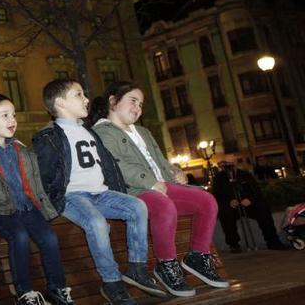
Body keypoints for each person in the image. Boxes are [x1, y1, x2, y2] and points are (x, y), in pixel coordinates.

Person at [89, 81, 229, 297]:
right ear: (113, 101)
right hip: (133, 190)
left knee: (206, 200)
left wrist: (174, 171)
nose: (137, 108)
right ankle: (166, 264)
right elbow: (116, 164)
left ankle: (198, 258)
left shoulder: (143, 131)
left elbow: (157, 161)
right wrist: (150, 182)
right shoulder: (102, 131)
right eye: (133, 101)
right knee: (163, 206)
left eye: (141, 104)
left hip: (161, 186)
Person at [33, 79, 164, 305]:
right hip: (73, 195)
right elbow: (43, 175)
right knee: (96, 223)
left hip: (101, 193)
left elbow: (108, 166)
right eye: (78, 95)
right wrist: (50, 206)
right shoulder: (47, 137)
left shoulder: (89, 130)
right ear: (60, 103)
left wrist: (119, 192)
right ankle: (112, 282)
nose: (86, 99)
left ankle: (137, 267)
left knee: (137, 207)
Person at [0, 94, 74, 305]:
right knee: (18, 236)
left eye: (13, 115)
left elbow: (36, 181)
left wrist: (46, 208)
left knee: (49, 237)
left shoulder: (20, 149)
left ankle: (57, 289)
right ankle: (25, 294)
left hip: (26, 207)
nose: (12, 120)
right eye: (5, 115)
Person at [212, 154, 288, 252]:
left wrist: (250, 199)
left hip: (247, 205)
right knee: (225, 212)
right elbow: (217, 194)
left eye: (231, 163)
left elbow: (256, 191)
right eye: (226, 163)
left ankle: (272, 241)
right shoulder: (219, 178)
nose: (228, 165)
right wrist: (229, 201)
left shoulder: (245, 175)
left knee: (262, 208)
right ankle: (234, 244)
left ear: (235, 163)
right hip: (231, 207)